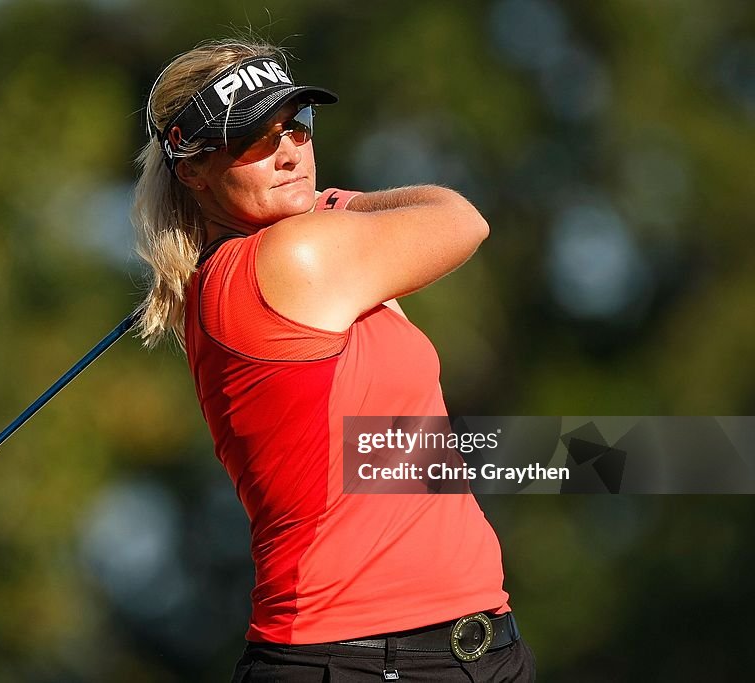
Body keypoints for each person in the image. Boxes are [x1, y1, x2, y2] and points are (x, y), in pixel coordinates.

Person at [132, 38, 536, 682]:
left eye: (297, 126)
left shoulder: (294, 258)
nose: (290, 151)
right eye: (256, 138)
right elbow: (460, 219)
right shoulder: (289, 258)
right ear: (193, 169)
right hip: (357, 660)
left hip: (475, 648)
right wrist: (334, 202)